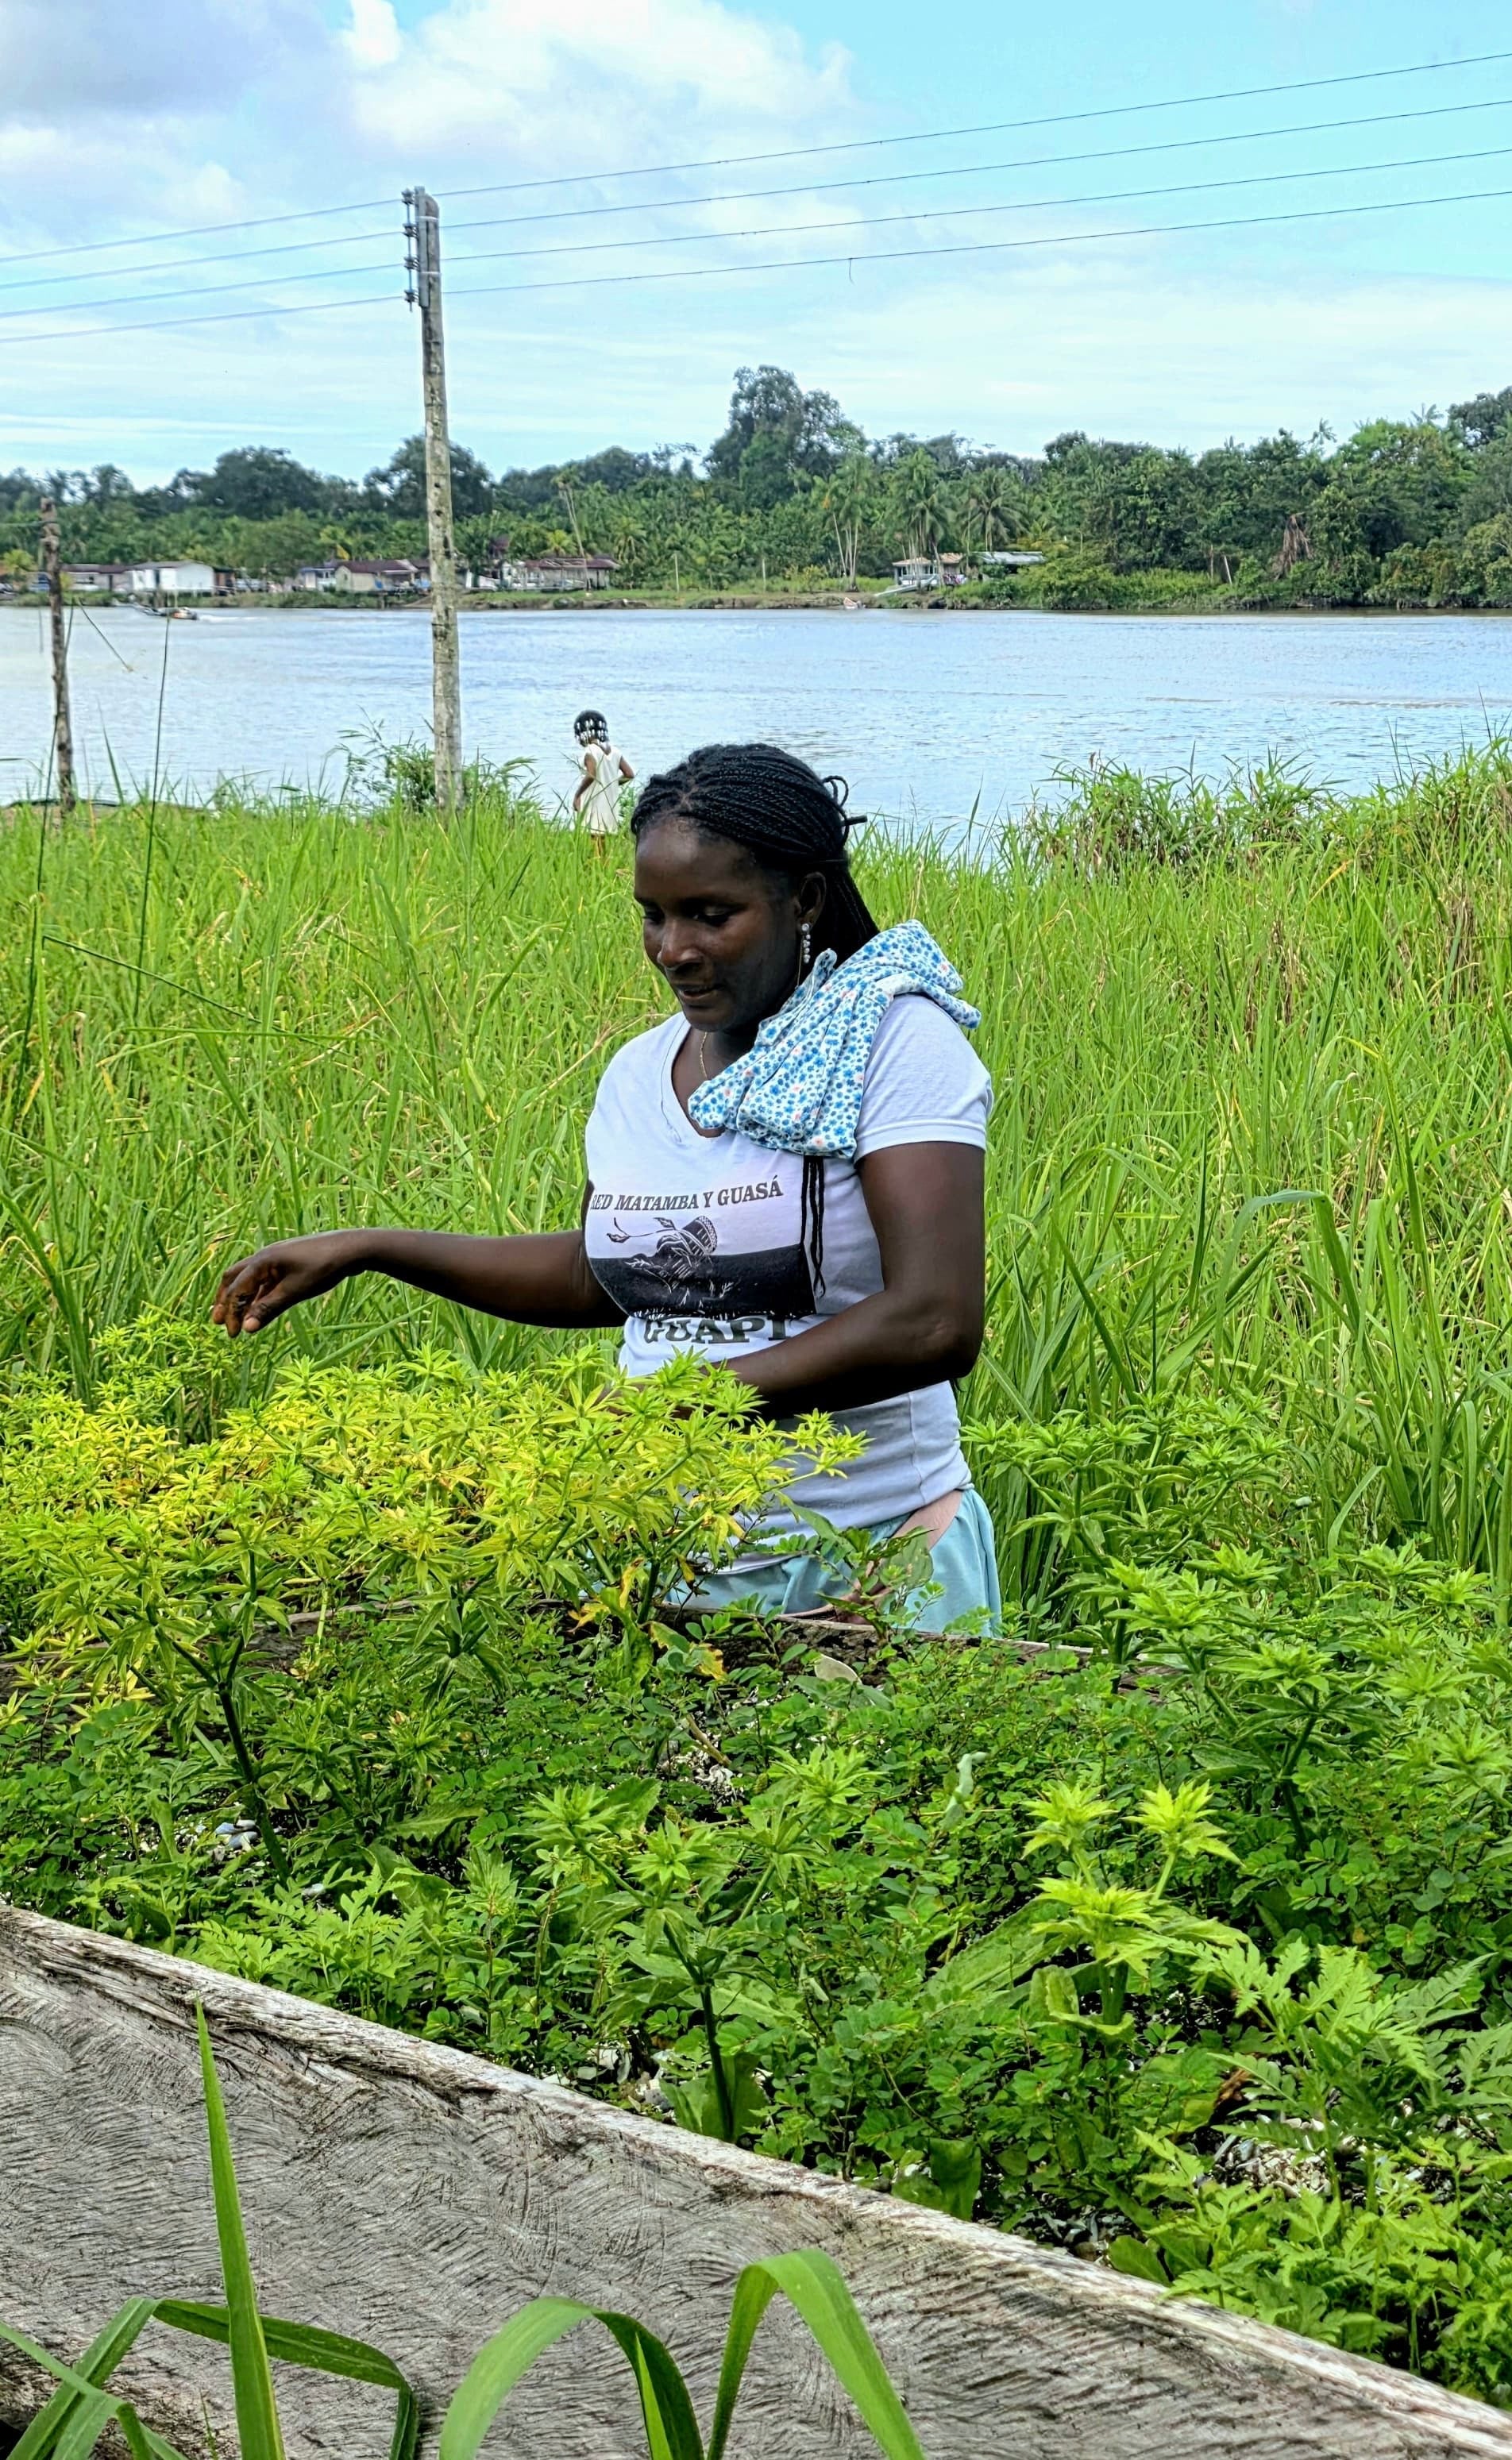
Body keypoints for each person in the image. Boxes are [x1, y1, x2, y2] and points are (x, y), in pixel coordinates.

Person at [212, 742, 998, 1632]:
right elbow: (604, 1276)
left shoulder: (893, 1041)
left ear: (805, 899)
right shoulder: (637, 1073)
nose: (674, 950)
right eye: (653, 916)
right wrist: (371, 1248)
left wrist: (680, 1404)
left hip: (866, 1555)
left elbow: (933, 1320)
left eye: (711, 915)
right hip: (655, 1559)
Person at [571, 709, 634, 856]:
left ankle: (599, 867)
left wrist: (578, 795)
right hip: (610, 803)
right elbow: (629, 774)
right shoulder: (615, 752)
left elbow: (591, 775)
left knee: (595, 842)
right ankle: (604, 866)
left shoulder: (590, 751)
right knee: (602, 841)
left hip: (594, 802)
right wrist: (611, 783)